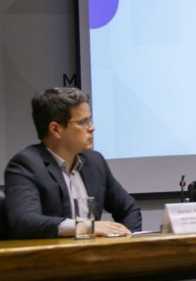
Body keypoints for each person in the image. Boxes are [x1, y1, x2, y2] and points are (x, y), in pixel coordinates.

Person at [4, 87, 141, 239]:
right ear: (56, 129)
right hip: (53, 259)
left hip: (96, 258)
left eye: (90, 120)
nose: (92, 128)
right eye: (83, 122)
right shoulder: (26, 165)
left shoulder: (95, 162)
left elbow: (129, 209)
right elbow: (25, 222)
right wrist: (84, 227)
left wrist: (125, 245)